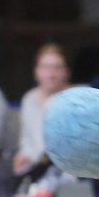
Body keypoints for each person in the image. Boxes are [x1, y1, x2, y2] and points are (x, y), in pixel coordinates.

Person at [12, 44, 71, 178]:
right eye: (45, 67)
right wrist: (24, 155)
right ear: (36, 72)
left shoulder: (75, 100)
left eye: (57, 68)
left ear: (67, 72)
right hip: (34, 169)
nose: (51, 74)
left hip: (65, 173)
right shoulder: (29, 98)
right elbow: (26, 141)